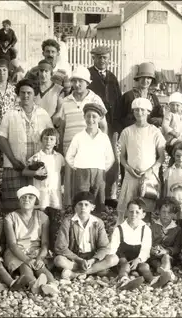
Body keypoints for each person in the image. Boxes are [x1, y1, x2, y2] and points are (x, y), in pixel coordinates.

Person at [0, 79, 53, 212]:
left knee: (36, 204)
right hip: (14, 166)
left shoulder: (42, 114)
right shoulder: (10, 114)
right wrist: (13, 160)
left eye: (29, 93)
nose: (26, 96)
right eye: (22, 92)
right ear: (18, 94)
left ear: (34, 94)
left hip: (37, 167)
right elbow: (1, 137)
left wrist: (45, 161)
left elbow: (51, 136)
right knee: (14, 206)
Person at [56, 66, 107, 207]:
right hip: (70, 148)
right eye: (75, 81)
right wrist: (61, 148)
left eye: (81, 81)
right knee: (71, 184)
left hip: (90, 150)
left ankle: (91, 213)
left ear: (87, 82)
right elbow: (62, 127)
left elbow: (103, 126)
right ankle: (72, 212)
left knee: (89, 184)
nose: (77, 85)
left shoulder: (96, 99)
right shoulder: (65, 101)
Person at [116, 98, 166, 225]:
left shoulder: (155, 131)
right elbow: (121, 156)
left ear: (148, 112)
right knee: (129, 209)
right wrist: (128, 169)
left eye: (142, 110)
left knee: (146, 209)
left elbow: (162, 157)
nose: (139, 113)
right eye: (136, 110)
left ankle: (145, 236)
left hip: (148, 176)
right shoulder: (127, 132)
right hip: (131, 175)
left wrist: (150, 171)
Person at [3, 186, 59, 295]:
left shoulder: (42, 217)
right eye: (23, 197)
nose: (26, 200)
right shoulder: (10, 217)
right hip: (17, 251)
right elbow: (12, 244)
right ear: (19, 200)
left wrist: (40, 258)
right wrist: (27, 260)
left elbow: (45, 243)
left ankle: (51, 285)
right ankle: (34, 284)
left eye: (30, 197)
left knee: (41, 267)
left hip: (36, 250)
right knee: (25, 266)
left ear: (36, 201)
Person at [53, 191, 119, 280]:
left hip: (91, 258)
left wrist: (93, 260)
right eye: (80, 204)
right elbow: (60, 247)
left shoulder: (98, 222)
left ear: (92, 207)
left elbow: (104, 247)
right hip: (74, 258)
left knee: (114, 259)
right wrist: (79, 260)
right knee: (59, 260)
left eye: (86, 204)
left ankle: (75, 274)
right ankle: (93, 271)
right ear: (75, 207)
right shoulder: (68, 222)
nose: (83, 207)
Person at [87, 46, 122, 208]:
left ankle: (110, 194)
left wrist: (116, 128)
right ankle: (91, 194)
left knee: (111, 159)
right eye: (99, 57)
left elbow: (118, 102)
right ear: (93, 58)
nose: (102, 61)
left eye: (105, 58)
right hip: (94, 125)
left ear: (109, 59)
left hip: (112, 125)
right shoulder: (88, 75)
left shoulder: (112, 78)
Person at [65, 103, 115, 214]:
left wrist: (101, 168)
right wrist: (79, 166)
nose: (91, 119)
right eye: (88, 116)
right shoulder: (78, 137)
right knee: (82, 199)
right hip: (82, 172)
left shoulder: (104, 137)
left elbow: (110, 158)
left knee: (97, 201)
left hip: (99, 173)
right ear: (84, 117)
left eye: (94, 116)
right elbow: (69, 156)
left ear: (100, 118)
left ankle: (96, 224)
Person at [109, 198, 155, 290]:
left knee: (145, 267)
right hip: (122, 258)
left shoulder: (146, 229)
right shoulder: (119, 229)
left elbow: (146, 248)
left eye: (137, 212)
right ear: (127, 212)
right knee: (125, 266)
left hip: (137, 258)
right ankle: (124, 281)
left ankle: (153, 281)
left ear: (143, 215)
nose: (133, 215)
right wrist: (114, 259)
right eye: (131, 212)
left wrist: (138, 259)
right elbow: (113, 248)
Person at [23, 128, 65, 210]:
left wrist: (62, 185)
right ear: (41, 140)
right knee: (42, 211)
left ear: (56, 142)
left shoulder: (59, 157)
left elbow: (63, 172)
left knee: (56, 212)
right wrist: (36, 173)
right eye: (45, 138)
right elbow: (24, 172)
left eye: (52, 139)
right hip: (41, 191)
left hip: (55, 190)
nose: (48, 141)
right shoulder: (37, 157)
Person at [117, 62, 164, 133]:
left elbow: (160, 116)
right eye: (143, 77)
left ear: (152, 80)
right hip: (131, 133)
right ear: (138, 79)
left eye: (148, 78)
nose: (145, 81)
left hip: (149, 134)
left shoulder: (154, 97)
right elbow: (118, 118)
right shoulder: (128, 96)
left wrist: (157, 120)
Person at [149, 197, 182, 288]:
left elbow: (177, 248)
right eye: (163, 211)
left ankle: (164, 274)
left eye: (169, 213)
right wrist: (152, 249)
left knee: (166, 257)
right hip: (154, 255)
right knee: (155, 262)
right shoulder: (152, 226)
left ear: (174, 215)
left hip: (170, 256)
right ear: (158, 211)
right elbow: (147, 242)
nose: (166, 215)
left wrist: (166, 251)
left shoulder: (177, 229)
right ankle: (168, 275)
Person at [162, 92, 182, 160]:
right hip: (170, 138)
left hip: (180, 137)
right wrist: (173, 132)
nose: (175, 107)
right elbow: (165, 125)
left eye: (177, 105)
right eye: (172, 105)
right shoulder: (169, 114)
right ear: (169, 106)